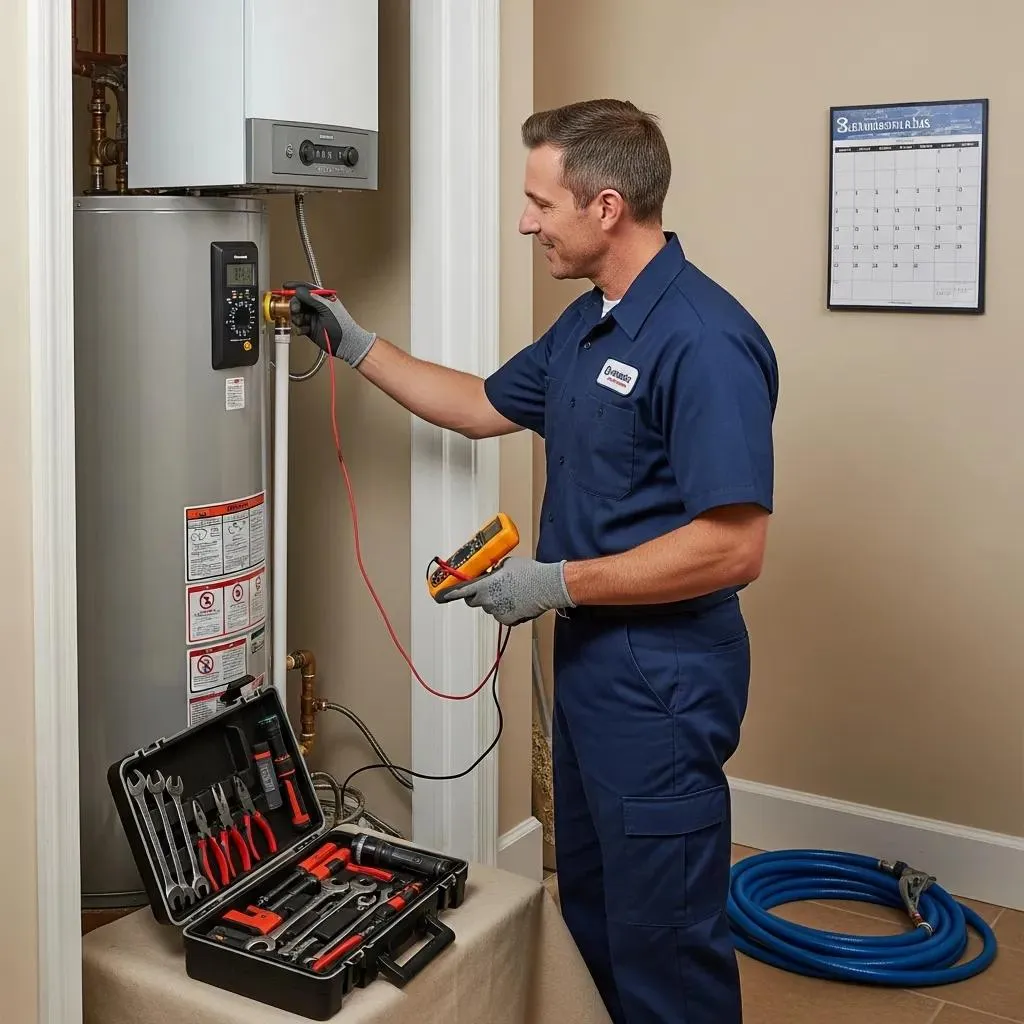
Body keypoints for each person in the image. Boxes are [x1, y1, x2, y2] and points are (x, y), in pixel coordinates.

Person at [288, 97, 778, 1024]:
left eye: (541, 203)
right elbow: (480, 405)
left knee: (665, 940)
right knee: (590, 908)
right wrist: (354, 345)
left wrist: (554, 583)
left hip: (664, 682)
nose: (525, 222)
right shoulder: (591, 322)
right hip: (590, 665)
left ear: (605, 207)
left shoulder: (705, 340)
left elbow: (734, 545)